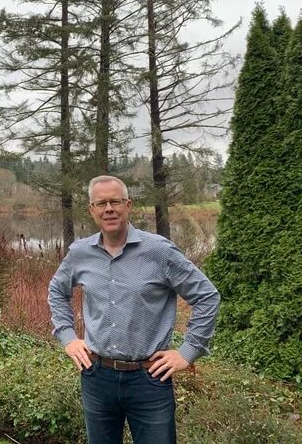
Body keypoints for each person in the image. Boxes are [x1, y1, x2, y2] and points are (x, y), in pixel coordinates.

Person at [47, 175, 220, 444]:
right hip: (96, 376)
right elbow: (57, 291)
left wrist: (188, 352)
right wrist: (68, 338)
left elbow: (207, 296)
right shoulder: (80, 253)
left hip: (149, 379)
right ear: (91, 209)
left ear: (128, 205)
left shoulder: (159, 252)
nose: (109, 209)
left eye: (115, 201)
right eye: (101, 203)